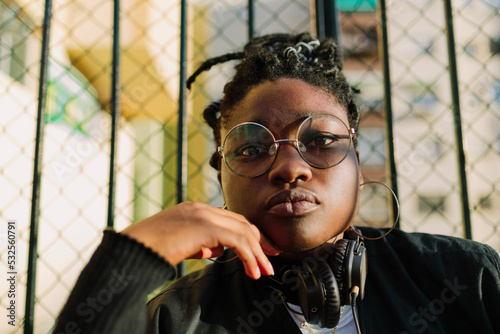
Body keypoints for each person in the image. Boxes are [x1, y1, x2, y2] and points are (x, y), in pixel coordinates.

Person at [53, 33, 500, 334]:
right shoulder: (177, 319)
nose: (288, 168)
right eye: (250, 149)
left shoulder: (465, 277)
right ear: (222, 177)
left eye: (321, 140)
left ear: (358, 168)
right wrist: (134, 254)